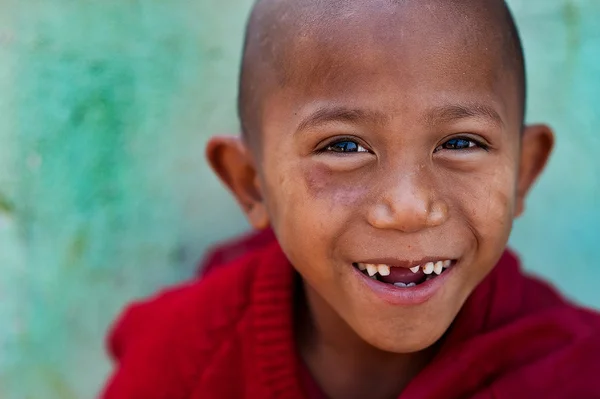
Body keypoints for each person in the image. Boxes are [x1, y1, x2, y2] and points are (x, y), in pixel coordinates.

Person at [100, 0, 600, 398]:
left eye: (461, 143)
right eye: (343, 147)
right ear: (252, 182)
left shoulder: (577, 374)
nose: (409, 206)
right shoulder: (182, 362)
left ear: (522, 173)